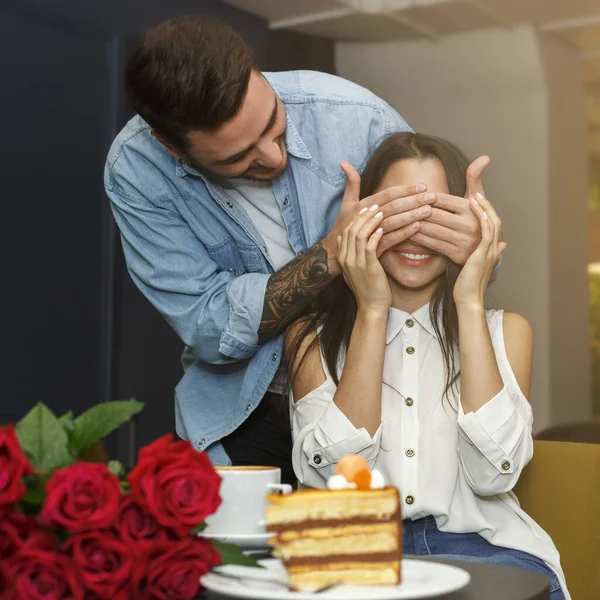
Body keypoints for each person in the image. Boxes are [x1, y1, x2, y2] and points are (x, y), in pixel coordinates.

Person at [104, 16, 489, 484]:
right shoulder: (137, 173)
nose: (274, 156)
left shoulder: (356, 117)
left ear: (257, 73)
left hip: (378, 402)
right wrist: (330, 253)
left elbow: (438, 266)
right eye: (236, 158)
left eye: (273, 124)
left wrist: (468, 246)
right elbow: (211, 328)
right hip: (246, 414)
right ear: (173, 146)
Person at [284, 131, 568, 598]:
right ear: (362, 220)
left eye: (436, 216)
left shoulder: (508, 330)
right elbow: (335, 484)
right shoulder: (310, 337)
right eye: (398, 215)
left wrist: (471, 300)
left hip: (485, 547)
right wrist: (372, 311)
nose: (416, 233)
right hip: (353, 553)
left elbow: (492, 474)